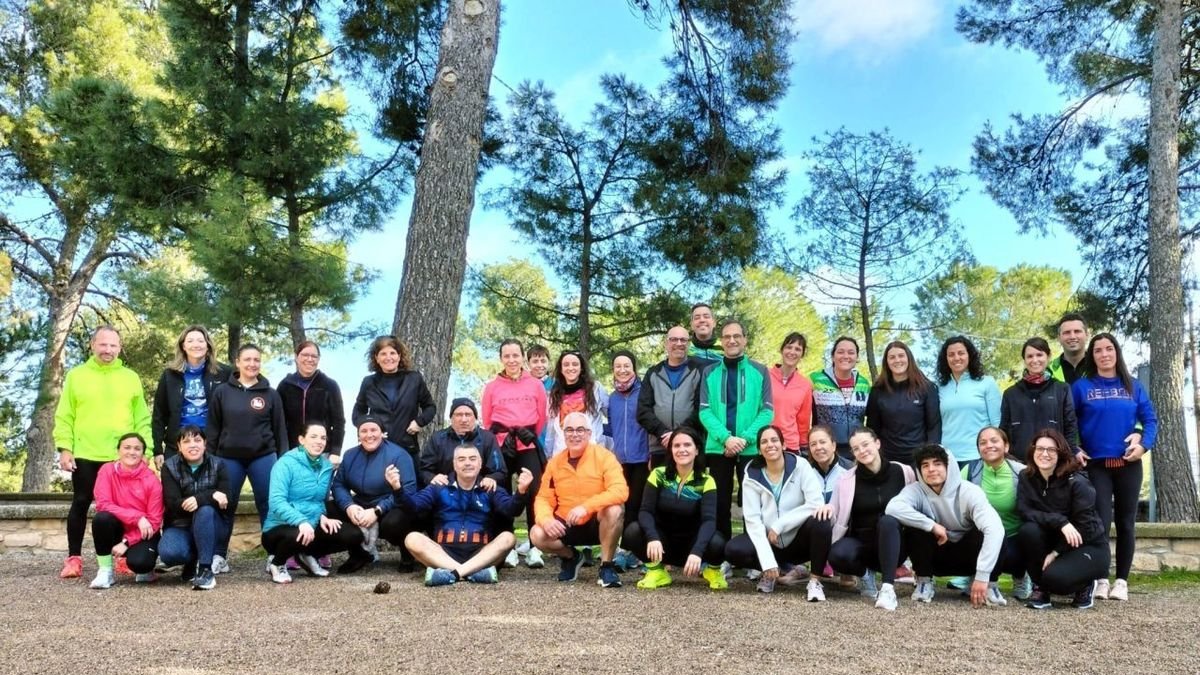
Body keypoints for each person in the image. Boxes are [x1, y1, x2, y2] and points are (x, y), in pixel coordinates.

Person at [55, 325, 152, 580]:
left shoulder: (130, 377)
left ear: (120, 348)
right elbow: (65, 415)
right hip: (86, 452)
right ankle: (74, 559)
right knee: (81, 502)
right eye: (103, 344)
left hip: (121, 456)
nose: (108, 350)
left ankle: (121, 558)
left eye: (113, 345)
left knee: (122, 507)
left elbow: (141, 417)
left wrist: (147, 449)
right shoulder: (76, 376)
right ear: (92, 345)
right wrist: (65, 448)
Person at [1072, 332, 1157, 601]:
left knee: (1126, 523)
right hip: (1096, 465)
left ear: (1116, 352)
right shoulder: (1081, 387)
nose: (1104, 354)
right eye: (1098, 350)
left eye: (1109, 349)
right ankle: (1100, 578)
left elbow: (1151, 420)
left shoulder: (1133, 386)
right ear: (1092, 355)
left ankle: (1121, 580)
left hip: (1128, 465)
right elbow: (1068, 421)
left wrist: (1143, 444)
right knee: (1099, 523)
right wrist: (1074, 448)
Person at [390, 445, 535, 586]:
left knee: (508, 538)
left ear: (480, 464)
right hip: (443, 554)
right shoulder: (440, 486)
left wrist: (521, 491)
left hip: (481, 554)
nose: (467, 463)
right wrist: (398, 488)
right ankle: (470, 573)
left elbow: (511, 510)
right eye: (461, 459)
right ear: (454, 464)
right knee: (412, 538)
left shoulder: (490, 487)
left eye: (472, 459)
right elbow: (414, 507)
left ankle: (452, 574)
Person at [886, 444, 1008, 608]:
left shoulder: (970, 491)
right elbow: (892, 508)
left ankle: (990, 584)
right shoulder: (915, 490)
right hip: (937, 556)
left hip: (971, 558)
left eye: (937, 463)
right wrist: (932, 525)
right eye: (925, 465)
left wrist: (982, 575)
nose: (931, 469)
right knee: (915, 529)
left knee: (994, 530)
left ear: (948, 466)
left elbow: (995, 529)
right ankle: (924, 582)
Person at [205, 343, 288, 574]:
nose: (252, 364)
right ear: (237, 362)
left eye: (256, 360)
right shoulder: (222, 392)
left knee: (270, 506)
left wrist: (282, 460)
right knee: (224, 506)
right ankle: (219, 556)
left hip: (263, 457)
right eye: (247, 359)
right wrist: (210, 460)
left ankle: (274, 555)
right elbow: (213, 429)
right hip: (228, 458)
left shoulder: (271, 394)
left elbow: (280, 429)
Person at [724, 426, 829, 600]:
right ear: (759, 449)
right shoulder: (751, 474)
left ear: (784, 444)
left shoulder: (800, 466)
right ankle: (773, 571)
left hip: (797, 540)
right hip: (769, 541)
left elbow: (815, 504)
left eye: (774, 440)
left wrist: (780, 525)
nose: (770, 445)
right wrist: (767, 561)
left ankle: (815, 581)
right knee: (733, 549)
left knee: (822, 521)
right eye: (764, 442)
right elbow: (752, 520)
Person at [529, 412, 629, 588]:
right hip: (567, 521)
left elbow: (620, 490)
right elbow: (544, 498)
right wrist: (546, 520)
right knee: (537, 534)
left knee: (615, 509)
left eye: (580, 430)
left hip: (596, 521)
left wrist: (586, 507)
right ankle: (571, 557)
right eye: (569, 430)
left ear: (589, 434)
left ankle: (606, 566)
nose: (575, 434)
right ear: (563, 433)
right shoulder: (555, 463)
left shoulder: (605, 457)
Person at [821, 427, 916, 611]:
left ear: (877, 443)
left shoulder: (903, 472)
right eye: (856, 449)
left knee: (888, 520)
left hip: (894, 545)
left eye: (865, 444)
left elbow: (917, 505)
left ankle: (888, 588)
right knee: (837, 555)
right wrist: (825, 508)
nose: (862, 451)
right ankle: (865, 575)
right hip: (861, 544)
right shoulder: (846, 479)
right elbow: (834, 508)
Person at [623, 427, 727, 590]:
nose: (682, 450)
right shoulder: (658, 474)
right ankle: (657, 571)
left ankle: (712, 571)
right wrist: (652, 537)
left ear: (697, 450)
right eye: (677, 446)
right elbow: (645, 511)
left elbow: (709, 521)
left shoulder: (707, 481)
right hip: (663, 545)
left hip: (692, 546)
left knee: (718, 541)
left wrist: (697, 551)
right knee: (632, 531)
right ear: (670, 450)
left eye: (687, 445)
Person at [262, 424, 369, 583]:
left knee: (353, 535)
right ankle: (278, 563)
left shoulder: (326, 466)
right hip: (278, 530)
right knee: (297, 534)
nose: (319, 441)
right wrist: (301, 521)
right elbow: (276, 502)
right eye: (313, 436)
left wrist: (323, 516)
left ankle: (308, 554)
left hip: (310, 524)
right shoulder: (284, 464)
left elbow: (318, 500)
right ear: (301, 440)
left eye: (323, 438)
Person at [698, 320, 774, 542]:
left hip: (750, 448)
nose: (732, 340)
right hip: (718, 447)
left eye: (736, 336)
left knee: (753, 501)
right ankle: (722, 554)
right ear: (722, 341)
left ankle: (751, 553)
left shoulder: (760, 371)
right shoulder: (709, 372)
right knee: (720, 500)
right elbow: (704, 411)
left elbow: (767, 411)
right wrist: (726, 439)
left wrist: (743, 439)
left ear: (744, 340)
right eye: (727, 336)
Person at [1017, 429, 1110, 609]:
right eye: (1040, 448)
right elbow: (1024, 510)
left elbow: (1085, 527)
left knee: (1056, 580)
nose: (1045, 454)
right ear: (1032, 451)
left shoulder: (1077, 482)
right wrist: (1060, 521)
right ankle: (1041, 589)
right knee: (1028, 531)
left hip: (1087, 545)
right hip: (1054, 538)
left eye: (1051, 450)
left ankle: (1086, 583)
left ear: (1061, 453)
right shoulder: (1026, 477)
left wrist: (1056, 552)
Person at [481, 339, 548, 568]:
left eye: (515, 355)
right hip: (501, 444)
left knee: (534, 492)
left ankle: (535, 546)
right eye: (507, 356)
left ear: (522, 358)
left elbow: (541, 417)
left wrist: (525, 434)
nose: (511, 360)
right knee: (501, 492)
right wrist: (501, 439)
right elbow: (488, 419)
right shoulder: (492, 386)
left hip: (527, 443)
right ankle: (506, 545)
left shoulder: (535, 384)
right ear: (501, 359)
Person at [331, 416, 418, 573]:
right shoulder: (350, 455)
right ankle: (359, 554)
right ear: (358, 435)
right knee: (329, 509)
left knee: (395, 522)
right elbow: (338, 484)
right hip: (360, 504)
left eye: (373, 430)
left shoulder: (399, 455)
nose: (369, 435)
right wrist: (349, 506)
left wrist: (378, 510)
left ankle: (407, 554)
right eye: (363, 431)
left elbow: (409, 489)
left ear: (382, 433)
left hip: (390, 505)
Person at [961, 426, 1032, 600]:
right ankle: (978, 576)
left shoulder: (1022, 472)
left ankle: (1021, 576)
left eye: (994, 441)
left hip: (1013, 538)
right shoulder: (969, 471)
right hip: (980, 537)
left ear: (1006, 446)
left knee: (1030, 532)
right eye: (982, 443)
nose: (988, 445)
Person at [158, 425, 229, 591]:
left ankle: (205, 570)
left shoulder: (219, 465)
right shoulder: (169, 467)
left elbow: (227, 499)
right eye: (187, 441)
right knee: (169, 553)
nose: (193, 445)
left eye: (197, 440)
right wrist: (212, 496)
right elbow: (173, 504)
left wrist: (200, 499)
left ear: (205, 444)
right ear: (179, 446)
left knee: (205, 511)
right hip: (179, 525)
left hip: (212, 525)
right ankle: (191, 561)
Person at [88, 433, 163, 589]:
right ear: (118, 451)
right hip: (117, 528)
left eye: (137, 448)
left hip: (143, 534)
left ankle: (146, 569)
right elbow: (103, 504)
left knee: (140, 564)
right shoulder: (107, 470)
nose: (131, 452)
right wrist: (137, 517)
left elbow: (155, 521)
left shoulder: (152, 480)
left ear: (143, 454)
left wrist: (127, 542)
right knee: (102, 519)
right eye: (127, 447)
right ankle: (105, 571)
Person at [151, 324, 230, 469]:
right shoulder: (170, 374)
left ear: (208, 346)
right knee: (174, 489)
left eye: (200, 341)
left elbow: (249, 378)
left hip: (212, 444)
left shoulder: (224, 372)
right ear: (183, 346)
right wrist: (157, 450)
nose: (196, 345)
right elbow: (159, 414)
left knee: (212, 490)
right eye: (190, 341)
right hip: (177, 444)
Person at [352, 335, 436, 466]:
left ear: (399, 356)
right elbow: (358, 412)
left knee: (409, 485)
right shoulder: (368, 382)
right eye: (383, 354)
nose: (388, 357)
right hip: (377, 450)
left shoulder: (414, 379)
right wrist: (369, 431)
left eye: (392, 353)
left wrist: (419, 422)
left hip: (407, 448)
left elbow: (430, 407)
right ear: (376, 358)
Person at [999, 337, 1079, 462]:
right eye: (1030, 356)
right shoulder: (1010, 393)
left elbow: (1070, 425)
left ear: (1048, 357)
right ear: (1024, 360)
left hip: (1053, 461)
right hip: (1019, 462)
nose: (1034, 360)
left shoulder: (1062, 389)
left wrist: (1070, 455)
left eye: (1039, 355)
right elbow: (1003, 428)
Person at [637, 326, 705, 467]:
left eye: (683, 340)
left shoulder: (700, 371)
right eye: (674, 339)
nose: (679, 343)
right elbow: (643, 411)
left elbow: (702, 409)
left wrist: (679, 434)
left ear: (689, 344)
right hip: (660, 446)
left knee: (691, 489)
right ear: (666, 343)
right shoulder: (653, 373)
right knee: (662, 489)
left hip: (690, 446)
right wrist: (664, 434)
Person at [866, 340, 941, 465]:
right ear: (887, 362)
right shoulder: (877, 391)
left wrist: (930, 455)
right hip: (888, 458)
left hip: (919, 458)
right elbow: (873, 428)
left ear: (909, 358)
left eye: (901, 356)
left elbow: (934, 425)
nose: (897, 360)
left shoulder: (926, 388)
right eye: (892, 357)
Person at [935, 335, 1001, 463]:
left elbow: (997, 422)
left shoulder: (987, 382)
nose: (956, 358)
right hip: (948, 458)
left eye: (961, 353)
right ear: (946, 359)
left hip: (979, 456)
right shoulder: (939, 388)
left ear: (969, 355)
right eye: (951, 354)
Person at [418, 398, 506, 489]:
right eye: (459, 415)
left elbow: (500, 471)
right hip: (445, 491)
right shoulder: (438, 438)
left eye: (468, 415)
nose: (464, 419)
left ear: (475, 417)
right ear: (451, 417)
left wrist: (491, 478)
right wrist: (432, 478)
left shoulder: (487, 438)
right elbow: (424, 470)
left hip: (479, 492)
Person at [278, 340, 346, 458]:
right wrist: (281, 450)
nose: (310, 359)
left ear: (318, 359)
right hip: (292, 451)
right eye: (305, 355)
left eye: (314, 356)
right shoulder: (285, 385)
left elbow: (338, 421)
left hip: (322, 452)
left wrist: (336, 452)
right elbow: (279, 421)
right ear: (296, 357)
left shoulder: (329, 385)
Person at [606, 350, 649, 532]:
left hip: (642, 458)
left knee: (636, 504)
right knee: (620, 505)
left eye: (626, 366)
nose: (622, 370)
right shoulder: (612, 398)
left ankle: (633, 549)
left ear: (634, 368)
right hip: (620, 461)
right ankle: (623, 547)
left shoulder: (645, 393)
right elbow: (611, 427)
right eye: (618, 366)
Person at [810, 336, 870, 459]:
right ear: (833, 356)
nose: (846, 356)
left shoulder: (864, 383)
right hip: (826, 450)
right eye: (840, 352)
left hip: (857, 450)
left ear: (857, 358)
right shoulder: (815, 380)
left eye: (851, 352)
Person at [546, 350, 610, 457]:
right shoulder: (555, 393)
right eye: (566, 365)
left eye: (575, 364)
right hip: (563, 453)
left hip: (592, 452)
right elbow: (551, 429)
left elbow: (611, 415)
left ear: (581, 368)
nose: (571, 368)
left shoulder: (595, 388)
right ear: (561, 369)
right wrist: (548, 456)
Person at [769, 332, 814, 454]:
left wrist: (804, 446)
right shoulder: (765, 376)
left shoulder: (805, 385)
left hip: (790, 445)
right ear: (782, 350)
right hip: (767, 442)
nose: (792, 352)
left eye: (798, 349)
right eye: (789, 347)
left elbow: (803, 420)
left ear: (802, 354)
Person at [1049, 313, 1089, 384]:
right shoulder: (1048, 371)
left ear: (1087, 335)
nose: (1072, 337)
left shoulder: (1098, 366)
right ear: (1059, 338)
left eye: (1077, 331)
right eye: (1067, 332)